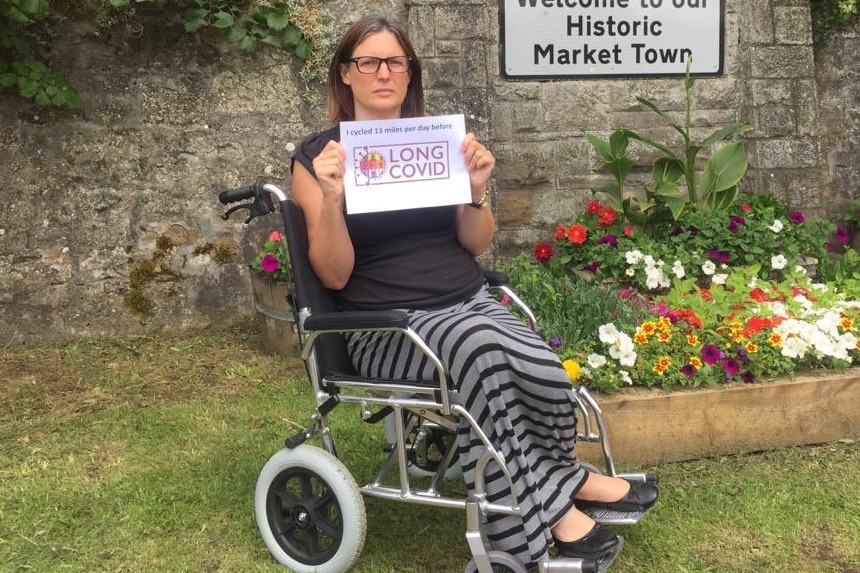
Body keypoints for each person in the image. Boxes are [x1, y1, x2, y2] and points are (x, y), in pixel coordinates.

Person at [289, 13, 657, 567]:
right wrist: (333, 198)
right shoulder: (320, 158)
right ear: (346, 73)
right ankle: (549, 514)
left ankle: (563, 478)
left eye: (396, 62)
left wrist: (476, 192)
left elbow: (475, 243)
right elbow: (335, 275)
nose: (383, 73)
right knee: (484, 358)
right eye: (369, 62)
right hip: (390, 324)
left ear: (410, 73)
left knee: (539, 363)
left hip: (468, 302)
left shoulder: (434, 142)